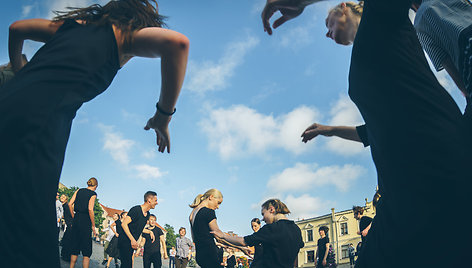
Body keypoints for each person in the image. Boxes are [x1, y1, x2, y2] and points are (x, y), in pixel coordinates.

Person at [262, 0, 471, 266]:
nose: (326, 33)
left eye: (328, 23)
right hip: (400, 188)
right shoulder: (365, 53)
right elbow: (375, 132)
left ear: (346, 7)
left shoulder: (382, 22)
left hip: (436, 165)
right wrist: (330, 130)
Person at [0, 0, 189, 266]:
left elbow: (17, 28)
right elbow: (178, 44)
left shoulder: (71, 26)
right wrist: (163, 116)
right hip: (40, 123)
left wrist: (19, 70)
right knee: (28, 235)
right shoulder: (124, 35)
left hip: (6, 102)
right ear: (139, 21)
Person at [212, 199, 304, 268]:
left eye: (263, 214)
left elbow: (244, 241)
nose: (263, 219)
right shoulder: (296, 229)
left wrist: (223, 235)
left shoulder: (271, 228)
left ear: (271, 209)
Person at [119, 191, 159, 268]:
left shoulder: (148, 214)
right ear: (149, 200)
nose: (157, 203)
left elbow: (139, 228)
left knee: (127, 265)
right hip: (125, 240)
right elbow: (124, 224)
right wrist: (132, 240)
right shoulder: (136, 210)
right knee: (126, 265)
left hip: (131, 243)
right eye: (155, 200)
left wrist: (150, 232)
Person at [189, 189, 226, 268]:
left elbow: (194, 238)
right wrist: (240, 246)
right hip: (210, 255)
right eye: (218, 203)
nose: (218, 207)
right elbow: (219, 236)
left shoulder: (192, 214)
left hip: (200, 255)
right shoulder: (208, 212)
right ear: (211, 197)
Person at [69, 177, 99, 268]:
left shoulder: (79, 190)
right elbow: (90, 209)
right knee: (86, 250)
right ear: (96, 186)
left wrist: (73, 216)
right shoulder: (93, 194)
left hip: (76, 218)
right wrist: (93, 225)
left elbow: (70, 204)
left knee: (74, 246)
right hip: (85, 221)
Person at [60, 194, 73, 262]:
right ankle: (64, 255)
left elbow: (71, 215)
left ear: (66, 199)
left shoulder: (66, 206)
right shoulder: (63, 205)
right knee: (65, 239)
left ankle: (66, 256)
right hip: (69, 224)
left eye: (63, 197)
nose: (62, 197)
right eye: (61, 196)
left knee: (67, 240)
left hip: (70, 225)